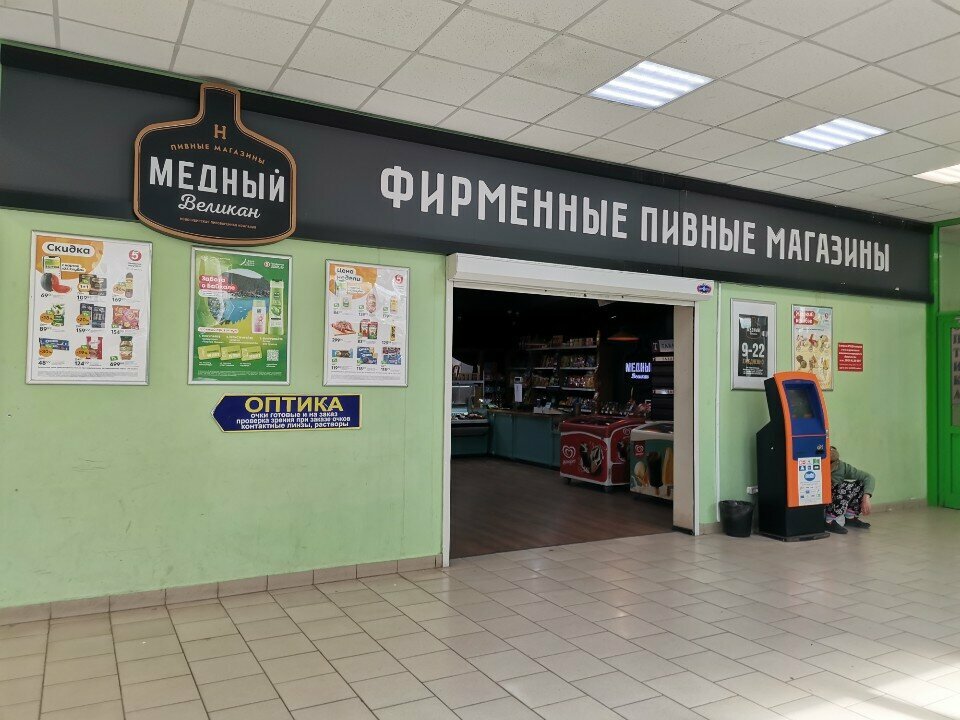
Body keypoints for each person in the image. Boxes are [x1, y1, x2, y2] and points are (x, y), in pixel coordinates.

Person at [825, 446, 875, 535]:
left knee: (860, 483)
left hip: (834, 499)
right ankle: (829, 521)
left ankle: (850, 517)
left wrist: (866, 497)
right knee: (844, 486)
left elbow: (868, 477)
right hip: (822, 501)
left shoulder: (841, 466)